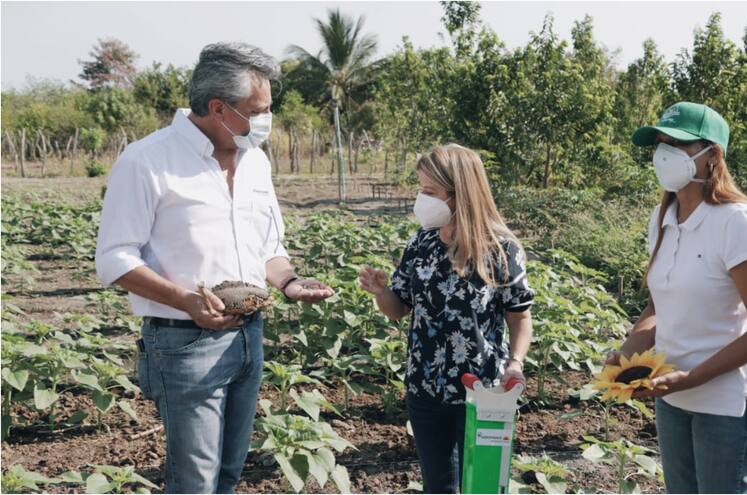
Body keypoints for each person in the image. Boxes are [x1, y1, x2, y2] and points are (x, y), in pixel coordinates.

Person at [94, 42, 334, 493]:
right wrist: (186, 300)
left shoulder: (255, 162)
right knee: (195, 481)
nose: (266, 120)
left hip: (248, 336)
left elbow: (269, 248)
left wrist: (290, 282)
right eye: (257, 110)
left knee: (227, 474)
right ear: (218, 107)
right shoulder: (147, 161)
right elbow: (114, 257)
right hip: (185, 343)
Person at [609, 102, 747, 494]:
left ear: (712, 156)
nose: (664, 153)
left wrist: (691, 378)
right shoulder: (662, 221)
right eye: (660, 143)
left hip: (725, 406)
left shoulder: (736, 222)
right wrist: (627, 352)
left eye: (678, 143)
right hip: (672, 399)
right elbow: (659, 307)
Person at [358, 144, 534, 493]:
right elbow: (399, 308)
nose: (421, 200)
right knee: (438, 486)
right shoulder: (421, 242)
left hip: (484, 391)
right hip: (425, 387)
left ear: (460, 194)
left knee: (483, 485)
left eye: (430, 192)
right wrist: (382, 293)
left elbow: (519, 316)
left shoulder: (501, 249)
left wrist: (515, 363)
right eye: (420, 189)